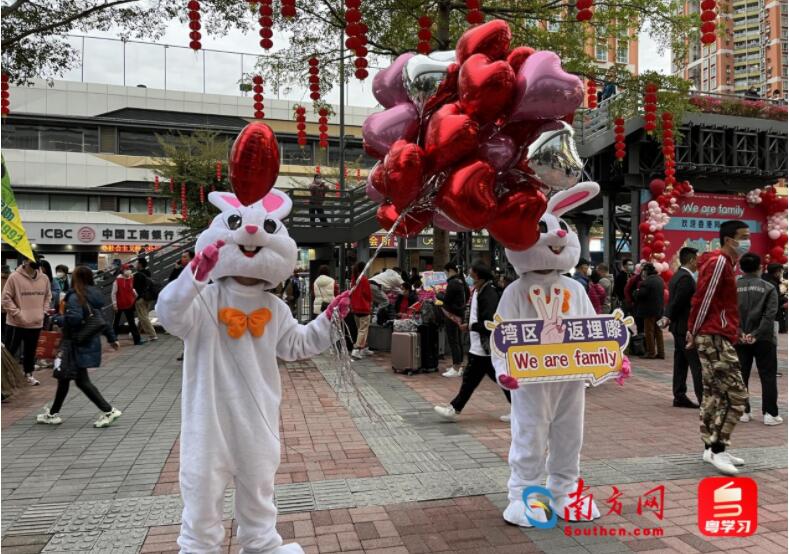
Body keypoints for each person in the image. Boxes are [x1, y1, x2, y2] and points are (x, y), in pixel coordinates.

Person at [687, 220, 751, 475]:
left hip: (714, 333)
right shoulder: (720, 262)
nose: (747, 241)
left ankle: (711, 448)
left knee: (714, 392)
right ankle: (717, 449)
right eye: (743, 236)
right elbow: (703, 299)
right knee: (737, 396)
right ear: (728, 239)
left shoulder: (723, 262)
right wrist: (694, 330)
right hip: (713, 335)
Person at [36, 266, 123, 427]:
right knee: (65, 378)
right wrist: (112, 338)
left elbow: (74, 319)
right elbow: (101, 319)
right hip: (88, 341)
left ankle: (108, 410)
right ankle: (53, 413)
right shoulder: (93, 295)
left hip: (75, 343)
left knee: (80, 380)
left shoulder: (76, 296)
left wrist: (57, 319)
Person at [434, 262, 510, 421]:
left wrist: (471, 326)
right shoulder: (479, 290)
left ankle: (454, 409)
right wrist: (469, 326)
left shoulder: (489, 292)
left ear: (478, 275)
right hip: (480, 346)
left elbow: (489, 321)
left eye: (471, 273)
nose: (469, 276)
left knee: (471, 379)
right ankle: (519, 408)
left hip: (484, 346)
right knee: (481, 378)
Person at [735, 253, 781, 425]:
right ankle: (770, 414)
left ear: (741, 268)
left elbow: (729, 315)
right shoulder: (769, 288)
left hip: (739, 338)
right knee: (768, 375)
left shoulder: (733, 286)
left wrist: (741, 333)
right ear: (759, 267)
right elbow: (769, 317)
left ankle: (743, 411)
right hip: (764, 339)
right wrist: (755, 334)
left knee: (741, 374)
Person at [663, 247, 702, 408]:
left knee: (680, 362)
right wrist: (668, 316)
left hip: (678, 327)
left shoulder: (677, 275)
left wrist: (669, 317)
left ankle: (679, 395)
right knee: (695, 364)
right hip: (685, 328)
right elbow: (678, 302)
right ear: (692, 260)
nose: (699, 263)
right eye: (697, 259)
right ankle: (703, 399)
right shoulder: (686, 278)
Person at [2, 258, 52, 385]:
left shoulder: (44, 278)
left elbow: (48, 296)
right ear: (25, 261)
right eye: (32, 259)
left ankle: (28, 374)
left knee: (31, 351)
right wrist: (17, 314)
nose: (36, 262)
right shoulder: (14, 277)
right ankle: (4, 377)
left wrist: (43, 312)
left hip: (36, 322)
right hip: (16, 323)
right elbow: (5, 298)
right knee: (9, 351)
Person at [441, 262, 468, 377]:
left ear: (450, 270)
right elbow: (467, 294)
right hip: (459, 315)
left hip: (451, 315)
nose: (445, 274)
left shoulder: (452, 283)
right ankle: (460, 366)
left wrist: (438, 295)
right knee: (458, 341)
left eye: (445, 272)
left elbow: (446, 300)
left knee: (453, 341)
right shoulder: (461, 281)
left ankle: (455, 367)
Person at [634, 263, 665, 359]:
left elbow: (641, 294)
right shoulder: (660, 279)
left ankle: (651, 352)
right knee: (658, 331)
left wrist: (636, 292)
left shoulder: (647, 282)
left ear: (646, 271)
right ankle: (661, 353)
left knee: (649, 332)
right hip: (659, 310)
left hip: (648, 311)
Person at [111, 264, 143, 345]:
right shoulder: (117, 281)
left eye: (129, 269)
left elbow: (132, 288)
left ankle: (137, 340)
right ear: (122, 271)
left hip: (129, 304)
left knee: (131, 322)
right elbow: (113, 293)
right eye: (126, 270)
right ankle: (113, 339)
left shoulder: (131, 278)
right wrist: (114, 304)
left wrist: (135, 294)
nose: (128, 271)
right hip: (119, 304)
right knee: (116, 323)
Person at [349, 261, 372, 359]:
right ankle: (357, 349)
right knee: (363, 330)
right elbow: (368, 295)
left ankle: (364, 348)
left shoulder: (353, 280)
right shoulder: (364, 279)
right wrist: (370, 302)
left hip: (355, 308)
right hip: (364, 308)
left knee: (360, 329)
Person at [133, 258, 158, 341]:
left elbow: (135, 287)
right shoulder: (148, 272)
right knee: (144, 316)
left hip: (141, 298)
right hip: (148, 297)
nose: (135, 265)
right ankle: (137, 332)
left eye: (137, 263)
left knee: (143, 317)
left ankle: (152, 335)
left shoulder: (137, 275)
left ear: (140, 264)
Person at [763, 263, 787, 334]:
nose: (781, 274)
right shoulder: (772, 283)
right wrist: (784, 302)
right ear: (776, 272)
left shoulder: (765, 280)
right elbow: (774, 300)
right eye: (780, 272)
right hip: (773, 316)